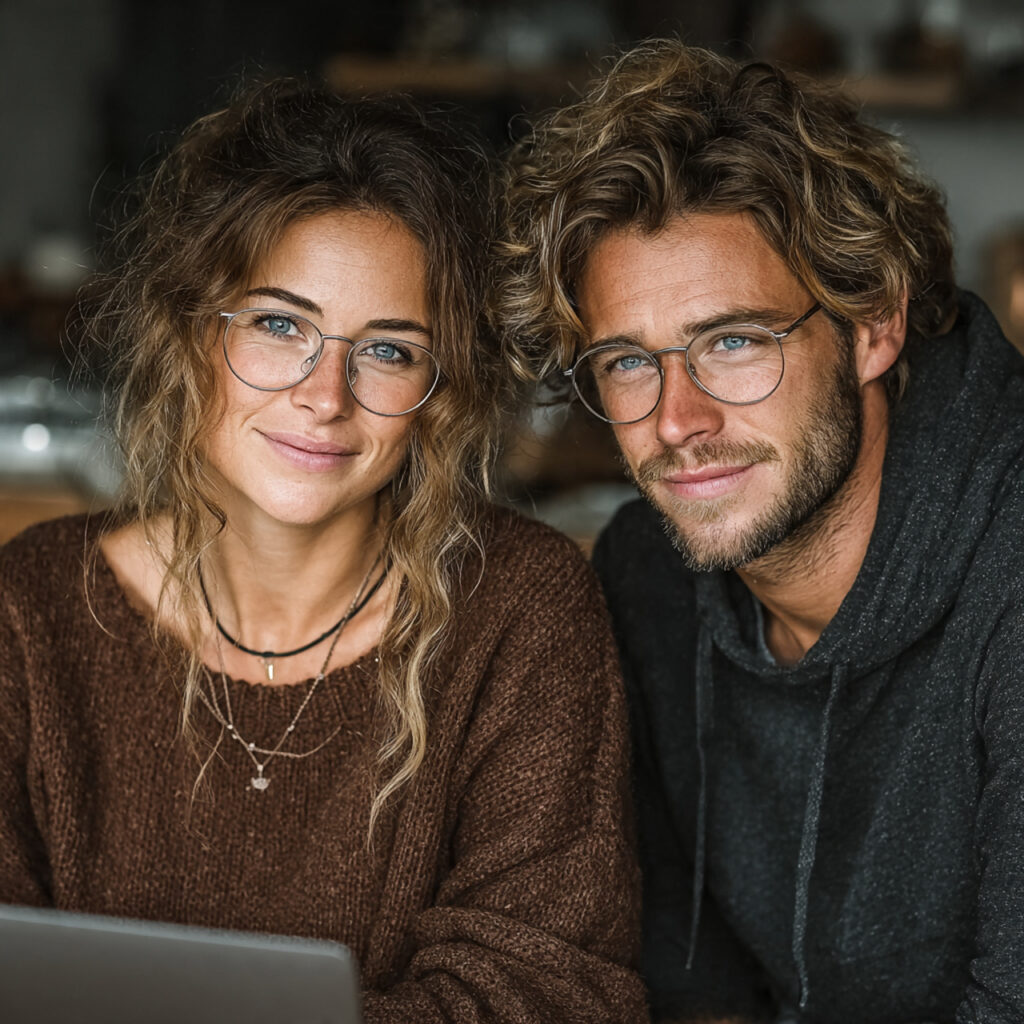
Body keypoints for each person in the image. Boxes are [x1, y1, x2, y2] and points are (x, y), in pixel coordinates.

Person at [0, 80, 648, 1023]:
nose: (325, 395)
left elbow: (544, 994)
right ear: (190, 332)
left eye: (388, 350)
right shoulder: (30, 608)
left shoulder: (522, 609)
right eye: (279, 325)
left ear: (441, 392)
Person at [498, 40, 1024, 1023]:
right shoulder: (647, 576)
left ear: (871, 325)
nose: (676, 422)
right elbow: (685, 986)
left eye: (732, 341)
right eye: (628, 362)